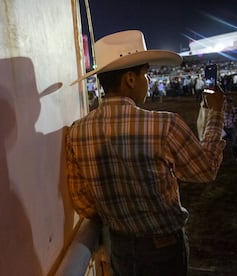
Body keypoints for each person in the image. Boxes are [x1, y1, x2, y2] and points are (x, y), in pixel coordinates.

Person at [66, 30, 226, 276]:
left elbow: (83, 203)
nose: (148, 81)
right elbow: (205, 169)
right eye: (146, 74)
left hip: (119, 245)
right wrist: (215, 115)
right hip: (162, 249)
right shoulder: (164, 124)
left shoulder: (77, 131)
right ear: (130, 79)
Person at [223, 97, 237, 162]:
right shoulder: (221, 110)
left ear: (231, 104)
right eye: (226, 104)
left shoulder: (236, 110)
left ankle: (236, 156)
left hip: (232, 129)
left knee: (234, 143)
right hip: (224, 129)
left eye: (229, 104)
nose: (227, 105)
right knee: (220, 144)